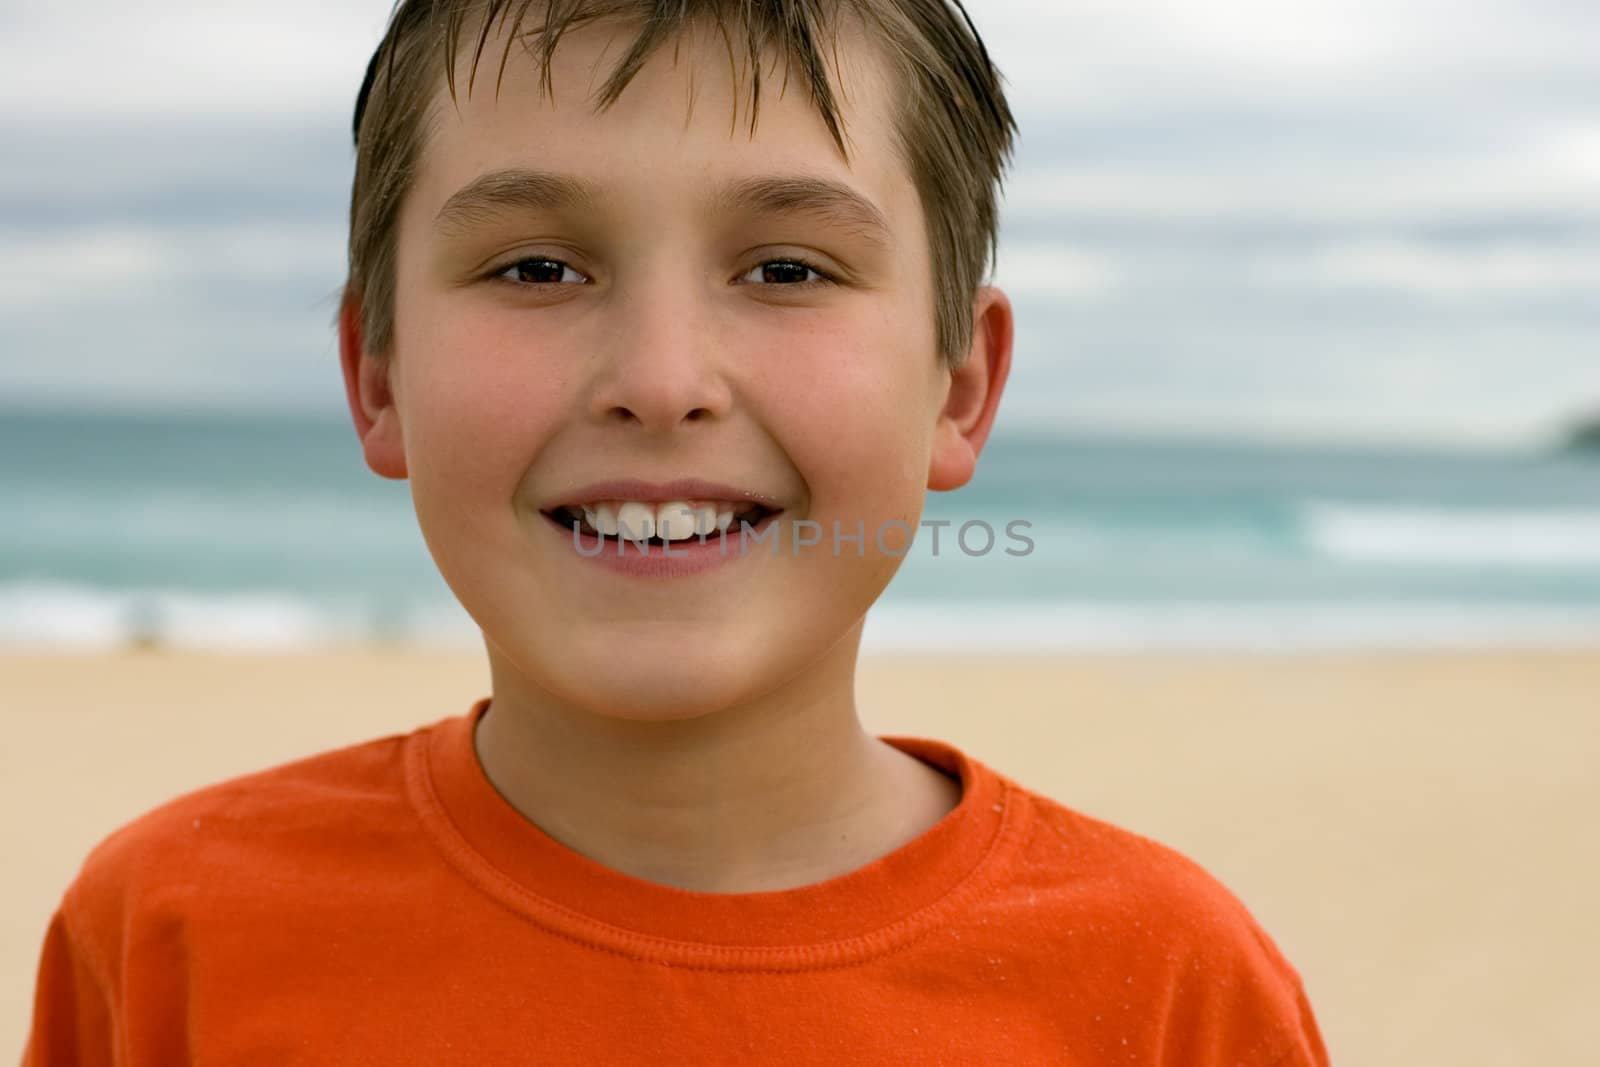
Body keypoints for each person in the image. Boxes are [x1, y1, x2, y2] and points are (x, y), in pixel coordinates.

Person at [22, 2, 1330, 1062]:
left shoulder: (1167, 990)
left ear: (958, 387)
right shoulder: (168, 933)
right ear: (377, 376)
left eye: (787, 270)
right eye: (537, 267)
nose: (661, 377)